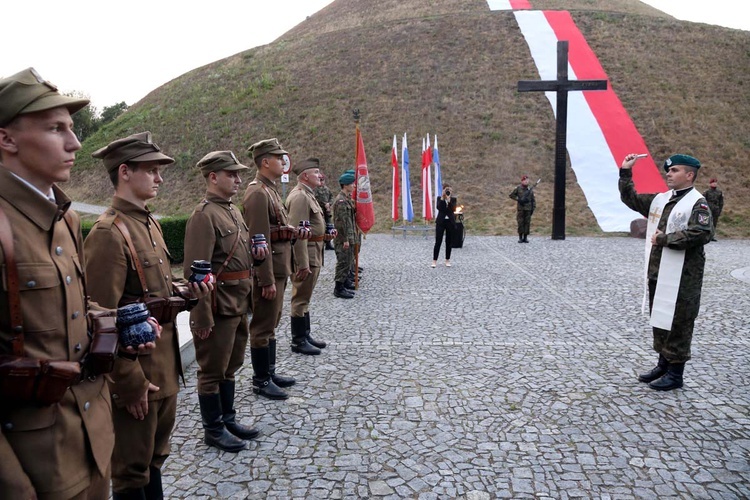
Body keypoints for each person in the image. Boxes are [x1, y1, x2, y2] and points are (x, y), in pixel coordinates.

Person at [0, 67, 115, 500]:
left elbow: (73, 308)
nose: (75, 143)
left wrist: (115, 323)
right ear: (7, 140)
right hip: (35, 466)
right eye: (55, 129)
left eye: (71, 128)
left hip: (93, 441)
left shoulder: (66, 216)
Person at [85, 131, 210, 498]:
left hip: (164, 366)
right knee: (130, 470)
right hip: (138, 374)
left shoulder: (148, 223)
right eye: (151, 170)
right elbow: (100, 319)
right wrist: (127, 381)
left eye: (159, 170)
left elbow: (158, 290)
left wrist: (188, 294)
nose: (159, 178)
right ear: (125, 171)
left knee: (154, 458)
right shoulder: (109, 233)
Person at [183, 151, 270, 452]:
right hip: (218, 307)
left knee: (231, 366)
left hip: (238, 303)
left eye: (238, 174)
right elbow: (195, 274)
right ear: (212, 177)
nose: (237, 179)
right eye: (231, 174)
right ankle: (213, 429)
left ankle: (228, 418)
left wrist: (257, 262)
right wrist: (202, 316)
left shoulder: (232, 211)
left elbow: (236, 260)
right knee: (211, 371)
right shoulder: (203, 215)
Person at [619, 153, 713, 391]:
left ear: (689, 175)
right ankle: (663, 363)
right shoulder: (662, 200)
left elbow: (702, 233)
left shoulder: (697, 203)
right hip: (658, 272)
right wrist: (625, 172)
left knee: (679, 322)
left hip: (684, 276)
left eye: (675, 171)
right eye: (668, 171)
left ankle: (676, 373)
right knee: (660, 317)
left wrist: (665, 239)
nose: (668, 174)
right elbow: (631, 199)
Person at [242, 138, 304, 400]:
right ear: (265, 162)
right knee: (263, 324)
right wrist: (265, 278)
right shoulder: (257, 193)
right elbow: (259, 240)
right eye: (279, 158)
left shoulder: (270, 190)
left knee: (273, 321)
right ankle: (260, 379)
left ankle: (269, 371)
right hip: (270, 270)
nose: (283, 161)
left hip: (279, 267)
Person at [285, 157, 332, 355]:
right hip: (307, 255)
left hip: (314, 251)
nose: (320, 175)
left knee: (306, 297)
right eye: (315, 172)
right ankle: (298, 340)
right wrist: (301, 263)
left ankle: (305, 334)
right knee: (300, 298)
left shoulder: (308, 195)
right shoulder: (300, 197)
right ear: (305, 176)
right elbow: (297, 233)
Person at [333, 170, 357, 299]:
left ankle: (345, 282)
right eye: (352, 183)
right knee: (343, 262)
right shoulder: (341, 201)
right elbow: (341, 223)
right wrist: (345, 240)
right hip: (343, 238)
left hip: (349, 235)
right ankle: (339, 288)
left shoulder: (346, 199)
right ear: (345, 185)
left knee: (348, 261)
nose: (354, 186)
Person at [432, 184, 457, 267]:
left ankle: (447, 260)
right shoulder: (439, 198)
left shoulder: (453, 199)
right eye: (446, 190)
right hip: (441, 222)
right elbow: (439, 208)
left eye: (449, 190)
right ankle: (434, 261)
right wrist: (443, 198)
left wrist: (449, 200)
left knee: (448, 242)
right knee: (438, 241)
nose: (448, 192)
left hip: (450, 222)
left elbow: (453, 209)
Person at [509, 175, 536, 243]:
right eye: (525, 180)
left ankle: (525, 237)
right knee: (520, 223)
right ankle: (520, 237)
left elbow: (533, 200)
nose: (526, 182)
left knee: (527, 223)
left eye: (527, 180)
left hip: (528, 209)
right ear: (522, 181)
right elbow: (511, 195)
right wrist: (519, 199)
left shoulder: (530, 189)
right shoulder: (518, 188)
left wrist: (533, 208)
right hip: (521, 209)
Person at [314, 173, 335, 250]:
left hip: (327, 210)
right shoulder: (315, 189)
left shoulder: (327, 189)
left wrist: (329, 204)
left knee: (329, 226)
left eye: (323, 180)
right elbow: (315, 199)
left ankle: (328, 242)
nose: (322, 182)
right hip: (320, 210)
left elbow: (332, 197)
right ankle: (321, 242)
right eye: (320, 180)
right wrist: (324, 204)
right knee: (321, 226)